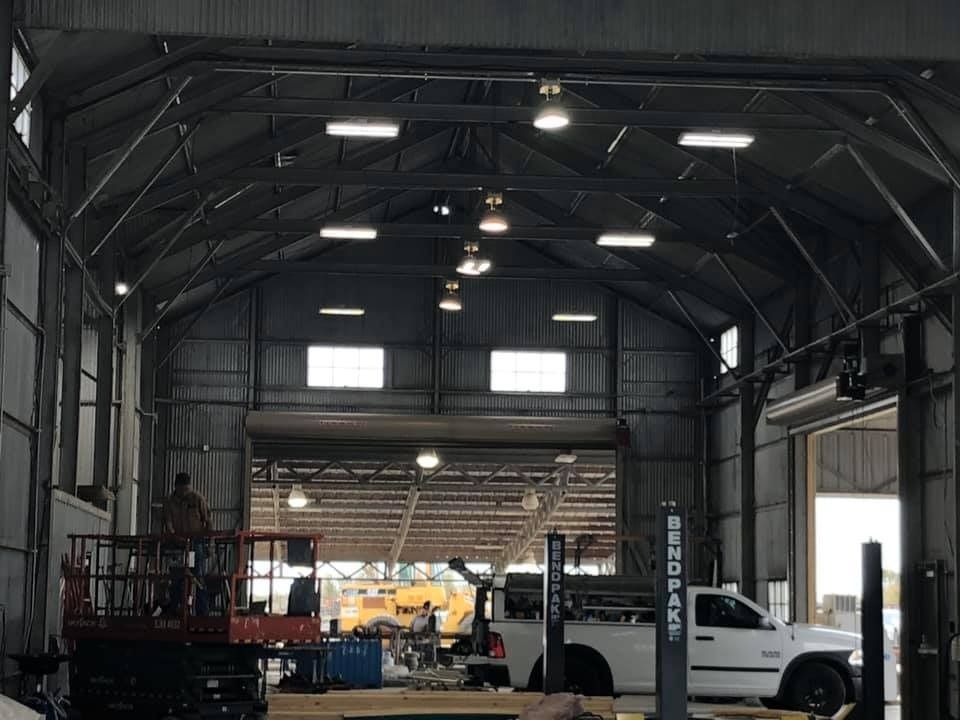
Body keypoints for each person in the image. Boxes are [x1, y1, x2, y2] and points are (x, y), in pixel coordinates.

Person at [162, 472, 211, 615]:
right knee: (176, 578)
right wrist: (173, 536)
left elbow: (208, 521)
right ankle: (175, 610)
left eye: (187, 489)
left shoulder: (197, 499)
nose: (185, 493)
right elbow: (168, 522)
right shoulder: (169, 503)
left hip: (196, 544)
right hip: (177, 545)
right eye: (182, 489)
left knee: (198, 577)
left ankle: (202, 613)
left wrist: (209, 543)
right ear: (176, 487)